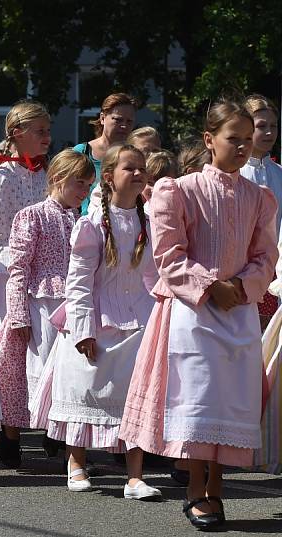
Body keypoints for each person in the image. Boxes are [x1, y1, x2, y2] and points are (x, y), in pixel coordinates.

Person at [119, 101, 278, 529]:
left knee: (231, 401)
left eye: (248, 140)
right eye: (234, 139)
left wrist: (243, 286)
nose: (243, 147)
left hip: (239, 311)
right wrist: (210, 287)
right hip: (193, 313)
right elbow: (168, 254)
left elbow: (266, 255)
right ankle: (194, 489)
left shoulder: (259, 197)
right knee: (198, 397)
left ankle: (218, 488)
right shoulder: (179, 189)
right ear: (209, 140)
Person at [40, 144, 161, 500]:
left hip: (137, 321)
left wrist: (158, 318)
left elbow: (152, 275)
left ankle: (135, 477)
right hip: (96, 319)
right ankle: (75, 461)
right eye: (130, 168)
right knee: (86, 388)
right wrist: (82, 329)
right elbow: (78, 282)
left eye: (142, 169)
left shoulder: (148, 223)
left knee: (133, 397)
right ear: (109, 176)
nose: (138, 174)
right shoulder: (90, 224)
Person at [0, 149, 95, 468]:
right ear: (58, 179)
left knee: (67, 374)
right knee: (22, 373)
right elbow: (18, 268)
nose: (83, 192)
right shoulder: (32, 215)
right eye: (79, 183)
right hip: (40, 303)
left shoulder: (81, 219)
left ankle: (64, 443)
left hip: (71, 304)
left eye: (88, 186)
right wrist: (19, 312)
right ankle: (11, 436)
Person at [0, 100, 52, 341]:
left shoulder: (49, 177)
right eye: (40, 131)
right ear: (18, 133)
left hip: (41, 274)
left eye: (48, 130)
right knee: (0, 340)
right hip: (2, 274)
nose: (47, 136)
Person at [240, 94, 281, 328]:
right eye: (261, 126)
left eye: (273, 126)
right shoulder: (235, 173)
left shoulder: (279, 173)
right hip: (242, 268)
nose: (269, 132)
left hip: (276, 270)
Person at [73, 93, 137, 214]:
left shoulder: (135, 157)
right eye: (118, 120)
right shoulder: (81, 152)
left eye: (129, 121)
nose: (124, 125)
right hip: (85, 224)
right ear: (102, 118)